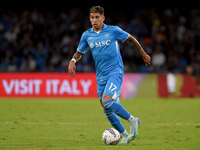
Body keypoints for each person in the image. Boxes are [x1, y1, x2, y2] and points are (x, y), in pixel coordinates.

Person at [68, 6, 151, 144]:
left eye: (97, 17)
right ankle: (125, 135)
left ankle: (133, 120)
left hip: (115, 71)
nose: (94, 20)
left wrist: (143, 54)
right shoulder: (87, 35)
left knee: (107, 100)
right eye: (92, 18)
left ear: (103, 18)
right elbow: (79, 53)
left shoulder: (113, 30)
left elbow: (131, 39)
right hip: (100, 76)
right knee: (106, 108)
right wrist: (72, 60)